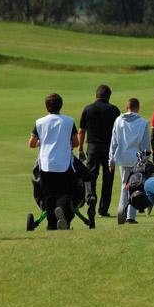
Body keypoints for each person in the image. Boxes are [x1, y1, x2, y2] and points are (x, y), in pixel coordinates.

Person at [29, 93, 79, 230]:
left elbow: (32, 143)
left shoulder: (40, 122)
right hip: (64, 163)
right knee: (64, 192)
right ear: (61, 105)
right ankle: (62, 212)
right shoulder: (69, 121)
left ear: (46, 107)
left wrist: (43, 141)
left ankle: (51, 224)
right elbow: (76, 142)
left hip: (46, 164)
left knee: (49, 195)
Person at [78, 84, 121, 217]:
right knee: (108, 179)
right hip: (109, 149)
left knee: (90, 176)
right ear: (109, 96)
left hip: (93, 147)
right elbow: (118, 132)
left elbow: (82, 131)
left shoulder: (88, 109)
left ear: (96, 95)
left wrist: (80, 148)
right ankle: (103, 209)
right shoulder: (114, 110)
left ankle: (90, 197)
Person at [108, 97, 150, 224]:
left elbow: (113, 143)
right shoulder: (143, 122)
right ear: (138, 107)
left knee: (124, 185)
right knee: (135, 185)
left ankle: (122, 211)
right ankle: (130, 216)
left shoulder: (118, 121)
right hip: (137, 158)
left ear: (127, 107)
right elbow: (145, 144)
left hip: (122, 157)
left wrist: (111, 160)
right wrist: (145, 158)